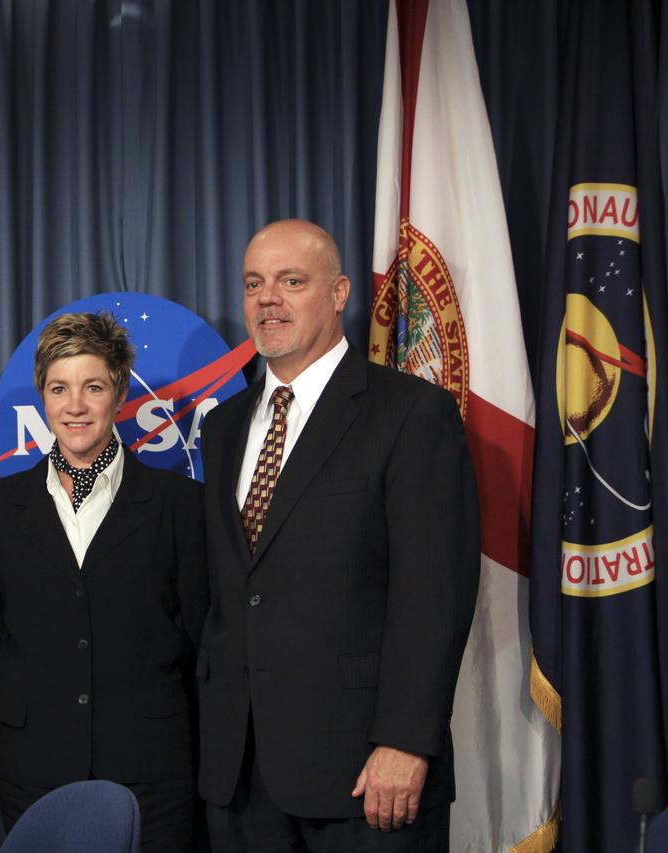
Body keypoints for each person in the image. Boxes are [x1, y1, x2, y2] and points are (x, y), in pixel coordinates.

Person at [198, 220, 480, 852]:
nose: (268, 299)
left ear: (338, 292)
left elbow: (435, 596)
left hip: (365, 776)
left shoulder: (410, 414)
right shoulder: (222, 429)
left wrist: (406, 742)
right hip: (240, 779)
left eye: (290, 281)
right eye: (253, 284)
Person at [0, 312, 208, 853]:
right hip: (36, 771)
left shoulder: (179, 507)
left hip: (153, 773)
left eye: (92, 386)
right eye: (59, 388)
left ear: (119, 394)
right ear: (42, 398)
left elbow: (199, 641)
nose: (75, 405)